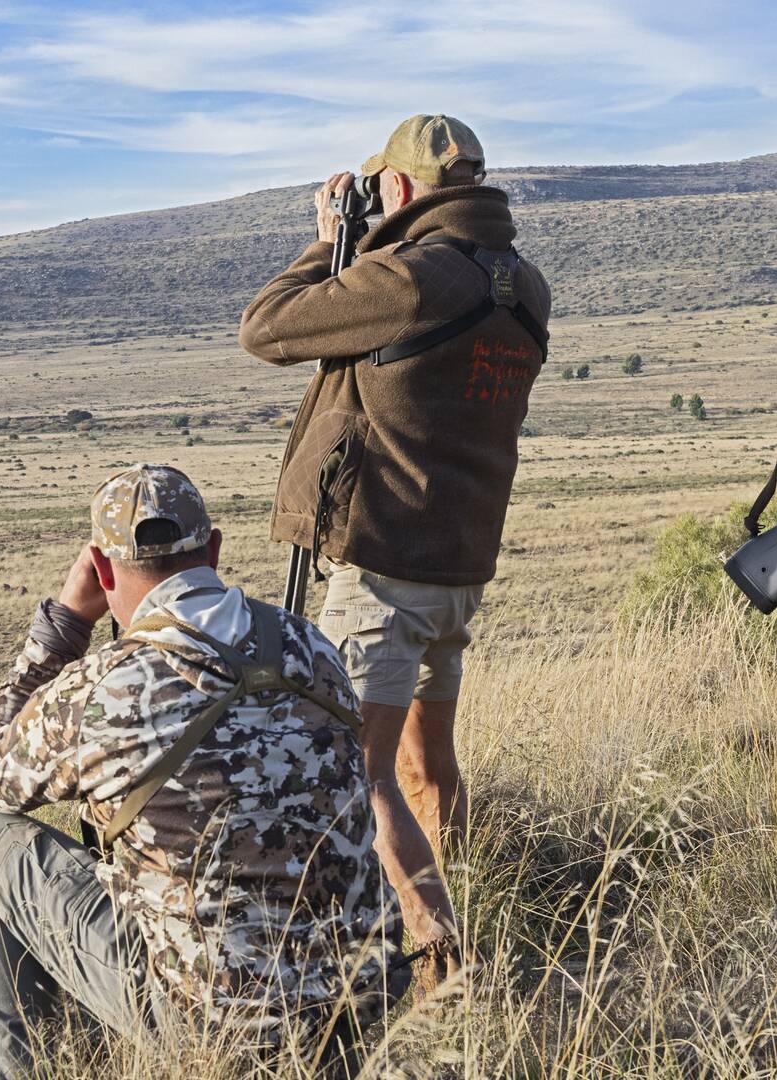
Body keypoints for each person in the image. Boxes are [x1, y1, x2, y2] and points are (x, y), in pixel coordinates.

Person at [0, 463, 407, 1079]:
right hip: (352, 1006)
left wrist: (64, 628)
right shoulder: (314, 648)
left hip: (209, 1026)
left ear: (102, 572)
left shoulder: (102, 687)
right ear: (214, 550)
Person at [238, 114, 552, 977]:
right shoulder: (522, 282)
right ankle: (457, 895)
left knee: (356, 772)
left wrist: (325, 243)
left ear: (404, 191)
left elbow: (267, 329)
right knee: (425, 763)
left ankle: (441, 965)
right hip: (458, 562)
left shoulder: (409, 279)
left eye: (385, 191)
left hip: (386, 564)